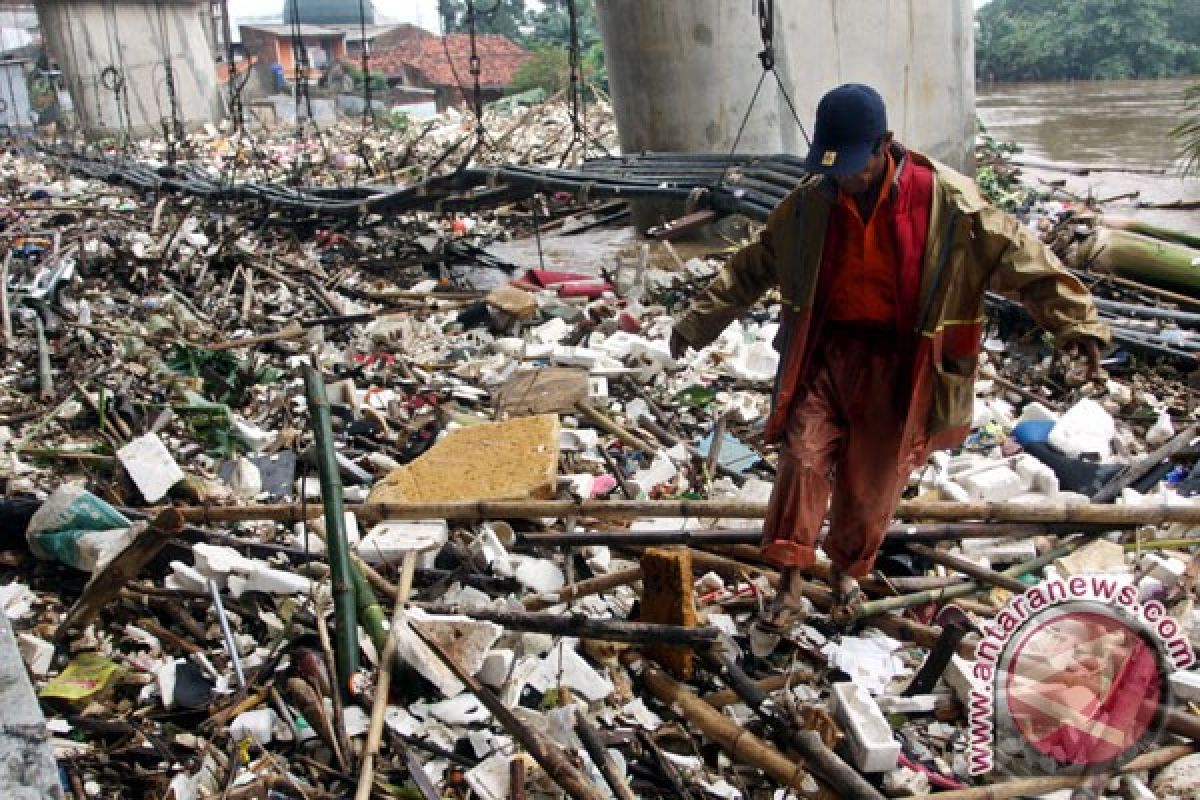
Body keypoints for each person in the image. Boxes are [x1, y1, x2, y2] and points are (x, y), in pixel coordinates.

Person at [669, 84, 1109, 629]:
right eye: (834, 169)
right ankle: (789, 581)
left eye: (854, 167)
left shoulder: (950, 205)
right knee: (801, 459)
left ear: (885, 146)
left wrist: (1076, 326)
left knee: (868, 481)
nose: (845, 180)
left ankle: (846, 574)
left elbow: (1028, 262)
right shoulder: (810, 205)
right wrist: (696, 324)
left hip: (899, 365)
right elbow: (752, 266)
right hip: (825, 354)